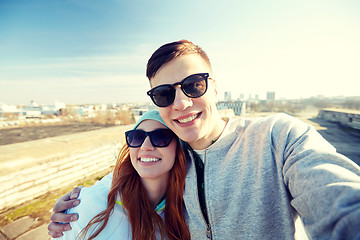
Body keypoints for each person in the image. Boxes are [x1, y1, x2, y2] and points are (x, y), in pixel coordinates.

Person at [49, 40, 360, 239]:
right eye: (164, 93)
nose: (181, 103)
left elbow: (338, 198)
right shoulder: (171, 149)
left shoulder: (277, 137)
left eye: (193, 85)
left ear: (215, 89)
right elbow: (135, 168)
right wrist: (81, 202)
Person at [51, 110, 190, 240]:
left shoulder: (188, 209)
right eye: (137, 137)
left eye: (161, 138)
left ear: (179, 148)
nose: (145, 146)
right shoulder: (91, 203)